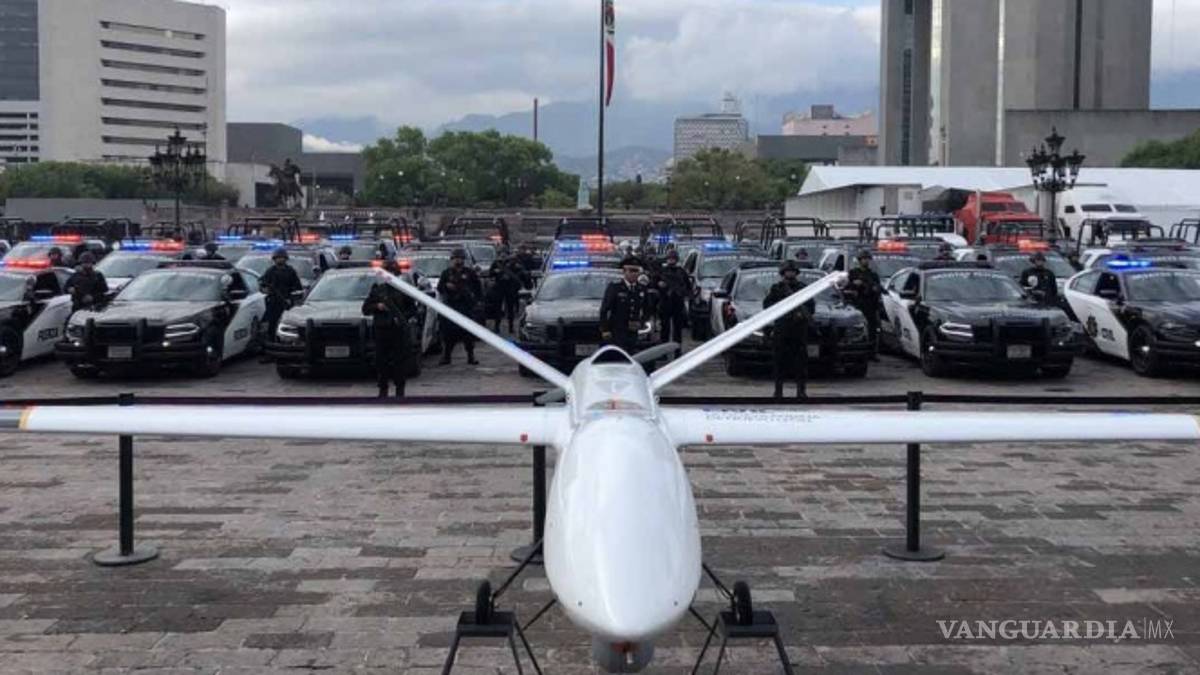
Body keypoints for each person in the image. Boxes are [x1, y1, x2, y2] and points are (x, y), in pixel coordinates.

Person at [362, 259, 417, 398]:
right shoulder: (378, 290)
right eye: (387, 272)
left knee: (400, 362)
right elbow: (365, 309)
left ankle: (400, 390)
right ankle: (383, 390)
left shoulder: (403, 289)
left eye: (392, 273)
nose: (389, 275)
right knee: (381, 362)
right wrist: (377, 306)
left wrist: (402, 317)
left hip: (398, 331)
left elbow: (413, 309)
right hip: (382, 330)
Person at [763, 259, 814, 399]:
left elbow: (811, 306)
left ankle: (801, 391)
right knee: (779, 362)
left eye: (792, 271)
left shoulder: (803, 288)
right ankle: (778, 391)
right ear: (783, 273)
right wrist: (781, 310)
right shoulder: (777, 288)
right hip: (782, 329)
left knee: (801, 363)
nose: (790, 274)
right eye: (787, 271)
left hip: (798, 330)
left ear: (796, 273)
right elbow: (767, 305)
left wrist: (802, 314)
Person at [436, 248, 482, 365]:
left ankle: (471, 356)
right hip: (451, 306)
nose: (458, 261)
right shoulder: (446, 273)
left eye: (460, 258)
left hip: (466, 307)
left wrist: (477, 301)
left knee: (468, 333)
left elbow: (478, 288)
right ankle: (447, 357)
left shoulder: (469, 273)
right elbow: (440, 288)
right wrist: (447, 286)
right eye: (456, 258)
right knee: (449, 333)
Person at [599, 256, 651, 354]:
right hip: (617, 330)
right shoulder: (615, 287)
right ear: (624, 272)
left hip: (634, 331)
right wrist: (605, 329)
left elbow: (647, 308)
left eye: (636, 271)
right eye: (631, 271)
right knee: (619, 355)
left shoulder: (641, 289)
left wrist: (641, 322)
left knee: (633, 354)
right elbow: (605, 309)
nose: (634, 274)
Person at [846, 250, 883, 360]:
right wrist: (854, 284)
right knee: (857, 329)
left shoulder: (873, 275)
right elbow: (847, 287)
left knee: (872, 330)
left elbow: (878, 289)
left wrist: (874, 289)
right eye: (864, 259)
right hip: (857, 305)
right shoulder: (853, 273)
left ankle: (871, 353)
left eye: (867, 259)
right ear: (859, 260)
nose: (866, 261)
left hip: (870, 305)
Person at [259, 248, 303, 339]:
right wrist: (266, 289)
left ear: (285, 259)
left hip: (286, 301)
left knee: (286, 322)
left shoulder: (290, 271)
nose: (280, 260)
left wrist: (291, 297)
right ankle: (271, 338)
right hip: (273, 301)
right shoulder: (270, 271)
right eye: (278, 258)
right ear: (274, 259)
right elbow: (262, 284)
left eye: (282, 258)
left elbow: (297, 286)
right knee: (272, 322)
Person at [655, 250, 691, 356]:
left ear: (676, 259)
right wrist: (659, 284)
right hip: (665, 303)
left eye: (673, 259)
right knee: (664, 329)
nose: (671, 260)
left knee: (677, 330)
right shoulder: (662, 271)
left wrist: (682, 292)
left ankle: (677, 351)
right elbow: (654, 283)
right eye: (670, 258)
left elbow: (688, 287)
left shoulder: (681, 272)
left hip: (677, 303)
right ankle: (663, 352)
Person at [488, 248, 529, 334]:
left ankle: (511, 327)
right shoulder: (496, 263)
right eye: (501, 254)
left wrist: (514, 275)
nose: (503, 256)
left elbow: (521, 272)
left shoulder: (513, 262)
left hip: (510, 288)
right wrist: (496, 272)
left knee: (510, 308)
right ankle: (497, 327)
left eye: (505, 254)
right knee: (498, 308)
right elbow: (490, 274)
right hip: (499, 287)